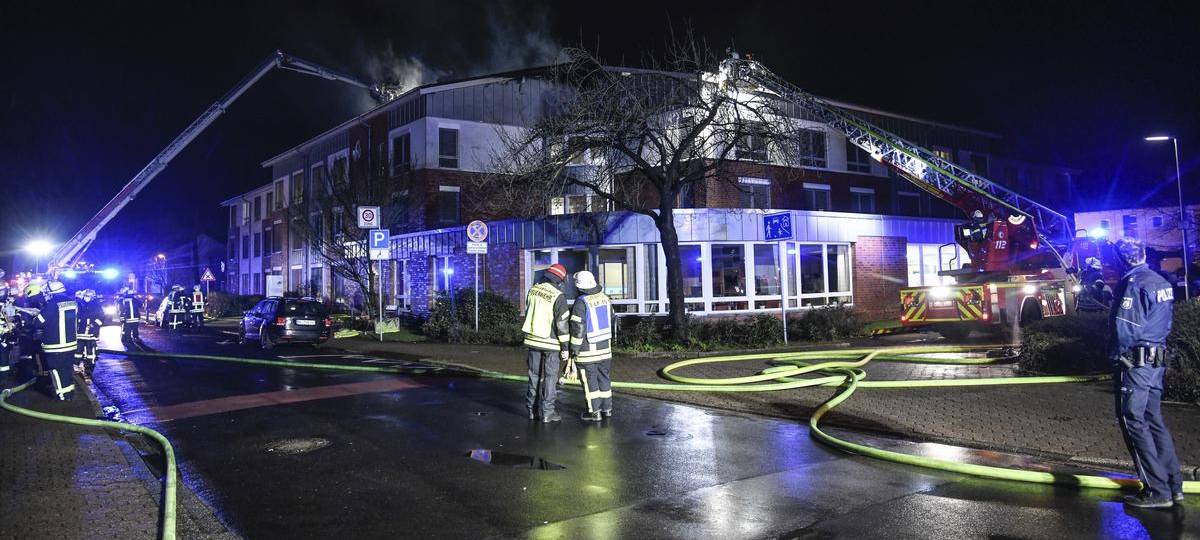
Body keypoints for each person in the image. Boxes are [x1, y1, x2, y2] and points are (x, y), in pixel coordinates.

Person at [1109, 237, 1183, 508]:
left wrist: (1116, 357)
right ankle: (1174, 485)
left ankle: (1156, 490)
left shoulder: (1132, 284)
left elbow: (1125, 329)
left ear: (1121, 259)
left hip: (1135, 365)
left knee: (1133, 421)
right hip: (1156, 361)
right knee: (1154, 420)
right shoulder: (1160, 281)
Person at [520, 263, 570, 423]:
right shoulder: (558, 296)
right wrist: (565, 347)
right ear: (560, 280)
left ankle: (531, 411)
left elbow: (529, 311)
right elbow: (562, 325)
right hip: (551, 343)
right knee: (550, 378)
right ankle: (548, 413)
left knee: (533, 375)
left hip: (533, 339)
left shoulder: (533, 290)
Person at [568, 270, 614, 422]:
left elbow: (577, 329)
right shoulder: (605, 298)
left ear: (579, 286)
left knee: (590, 382)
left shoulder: (581, 302)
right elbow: (612, 319)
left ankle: (594, 412)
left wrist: (573, 350)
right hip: (606, 350)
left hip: (587, 352)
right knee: (604, 379)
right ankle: (607, 409)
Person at [29, 281, 78, 400]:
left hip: (55, 344)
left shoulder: (51, 304)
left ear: (51, 292)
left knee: (55, 369)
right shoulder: (72, 302)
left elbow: (38, 323)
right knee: (66, 368)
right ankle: (69, 393)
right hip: (71, 343)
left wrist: (35, 316)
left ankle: (61, 395)